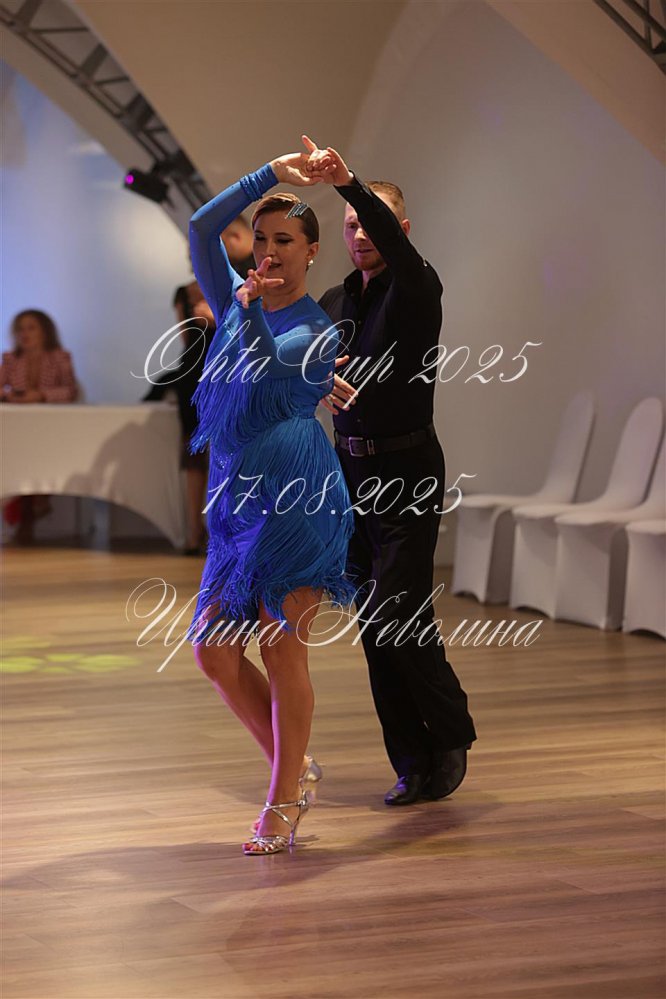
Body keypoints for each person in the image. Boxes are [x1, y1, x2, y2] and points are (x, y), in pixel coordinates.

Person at [185, 151, 355, 855]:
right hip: (236, 500)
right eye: (261, 238)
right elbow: (202, 227)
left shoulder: (318, 328)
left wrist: (250, 311)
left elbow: (264, 367)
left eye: (285, 240)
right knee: (214, 653)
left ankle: (283, 800)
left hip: (296, 496)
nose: (270, 251)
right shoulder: (236, 296)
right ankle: (295, 766)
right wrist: (270, 174)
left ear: (312, 252)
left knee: (283, 651)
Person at [304, 136, 477, 807]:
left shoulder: (416, 285)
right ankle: (410, 758)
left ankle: (450, 733)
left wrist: (346, 182)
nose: (359, 234)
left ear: (399, 230)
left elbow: (392, 245)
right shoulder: (334, 301)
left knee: (398, 609)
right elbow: (301, 370)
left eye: (370, 222)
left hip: (408, 468)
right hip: (350, 475)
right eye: (350, 225)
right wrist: (316, 379)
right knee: (375, 624)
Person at [1, 309, 79, 544]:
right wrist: (11, 396)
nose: (24, 334)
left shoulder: (60, 357)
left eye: (31, 328)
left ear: (45, 331)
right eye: (20, 329)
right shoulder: (10, 359)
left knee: (44, 453)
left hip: (51, 428)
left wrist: (41, 396)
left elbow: (70, 390)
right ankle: (30, 512)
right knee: (21, 455)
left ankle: (33, 509)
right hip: (19, 428)